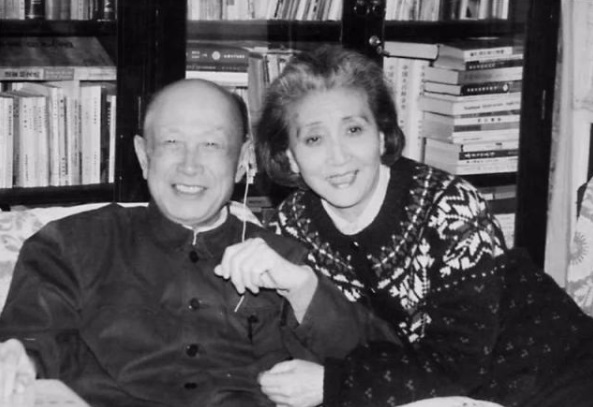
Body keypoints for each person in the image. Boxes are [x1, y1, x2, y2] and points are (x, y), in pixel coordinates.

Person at [217, 45, 593, 407]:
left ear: (382, 136)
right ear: (289, 157)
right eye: (314, 139)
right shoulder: (292, 225)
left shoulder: (450, 207)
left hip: (551, 378)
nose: (338, 156)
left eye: (353, 130)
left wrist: (333, 384)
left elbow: (458, 370)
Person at [0, 78, 333, 407]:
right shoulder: (72, 244)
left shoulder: (284, 263)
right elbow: (32, 341)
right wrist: (22, 365)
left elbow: (338, 366)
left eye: (211, 145)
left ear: (242, 161)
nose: (190, 166)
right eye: (172, 142)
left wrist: (305, 291)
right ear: (144, 156)